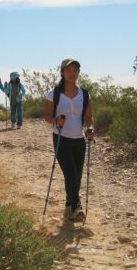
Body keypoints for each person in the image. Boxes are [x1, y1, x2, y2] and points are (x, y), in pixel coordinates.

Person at [44, 58, 95, 222]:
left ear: (78, 73)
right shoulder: (54, 94)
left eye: (75, 70)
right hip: (60, 138)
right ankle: (76, 207)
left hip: (79, 139)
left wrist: (90, 129)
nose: (72, 74)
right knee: (71, 174)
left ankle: (68, 205)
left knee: (77, 176)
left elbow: (88, 117)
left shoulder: (85, 94)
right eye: (68, 70)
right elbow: (47, 116)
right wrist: (56, 121)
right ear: (62, 73)